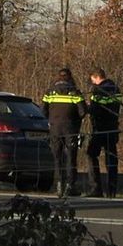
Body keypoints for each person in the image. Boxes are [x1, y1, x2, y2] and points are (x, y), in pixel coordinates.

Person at [42, 68, 88, 198]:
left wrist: (52, 119)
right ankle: (70, 185)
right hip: (71, 129)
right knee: (71, 157)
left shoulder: (50, 92)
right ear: (70, 78)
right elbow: (83, 112)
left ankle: (58, 184)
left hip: (55, 129)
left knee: (57, 157)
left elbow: (43, 111)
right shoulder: (74, 92)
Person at [86, 68, 123, 198]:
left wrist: (87, 107)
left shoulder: (98, 90)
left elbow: (96, 110)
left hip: (100, 128)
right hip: (113, 127)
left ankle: (96, 188)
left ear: (96, 77)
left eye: (92, 80)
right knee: (111, 159)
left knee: (91, 154)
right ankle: (112, 190)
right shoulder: (115, 89)